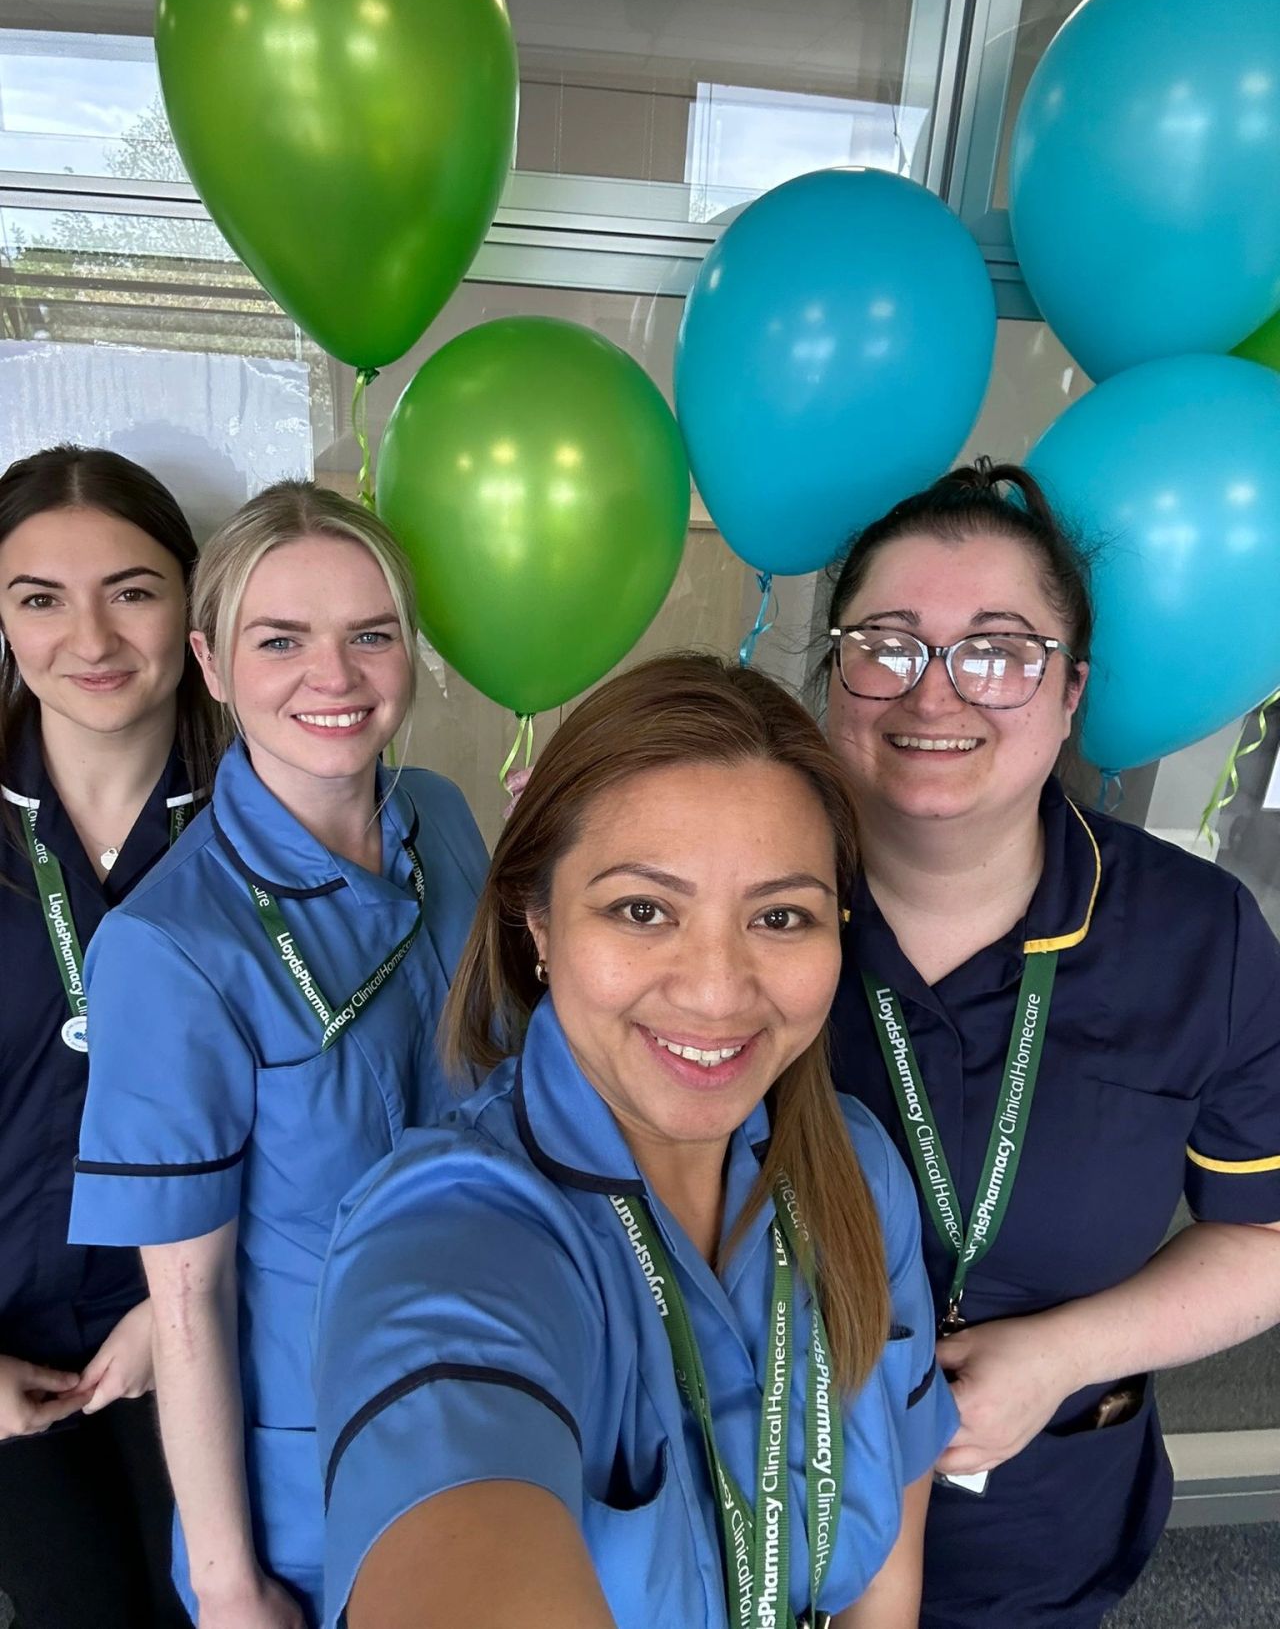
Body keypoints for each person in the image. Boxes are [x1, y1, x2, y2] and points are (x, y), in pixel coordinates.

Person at [314, 653, 958, 1629]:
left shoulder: (858, 1167)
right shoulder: (455, 1225)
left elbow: (887, 1573)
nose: (714, 987)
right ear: (535, 920)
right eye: (642, 908)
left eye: (779, 914)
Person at [822, 460, 1280, 1629]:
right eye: (887, 641)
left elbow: (1265, 1235)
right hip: (744, 1500)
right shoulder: (739, 900)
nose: (935, 693)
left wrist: (1054, 1355)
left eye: (996, 649)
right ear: (834, 674)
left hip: (1033, 1526)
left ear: (1068, 691)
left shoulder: (1193, 935)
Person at [69, 482, 489, 1629]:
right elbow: (188, 1303)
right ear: (210, 662)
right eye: (281, 640)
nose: (335, 676)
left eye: (370, 633)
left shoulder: (443, 820)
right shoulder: (169, 945)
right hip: (321, 1474)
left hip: (500, 1390)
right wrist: (230, 1582)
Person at [0, 443, 221, 1629]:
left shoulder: (271, 824)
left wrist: (179, 1311)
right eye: (40, 597)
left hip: (212, 1337)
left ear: (191, 602)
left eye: (130, 589)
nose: (89, 638)